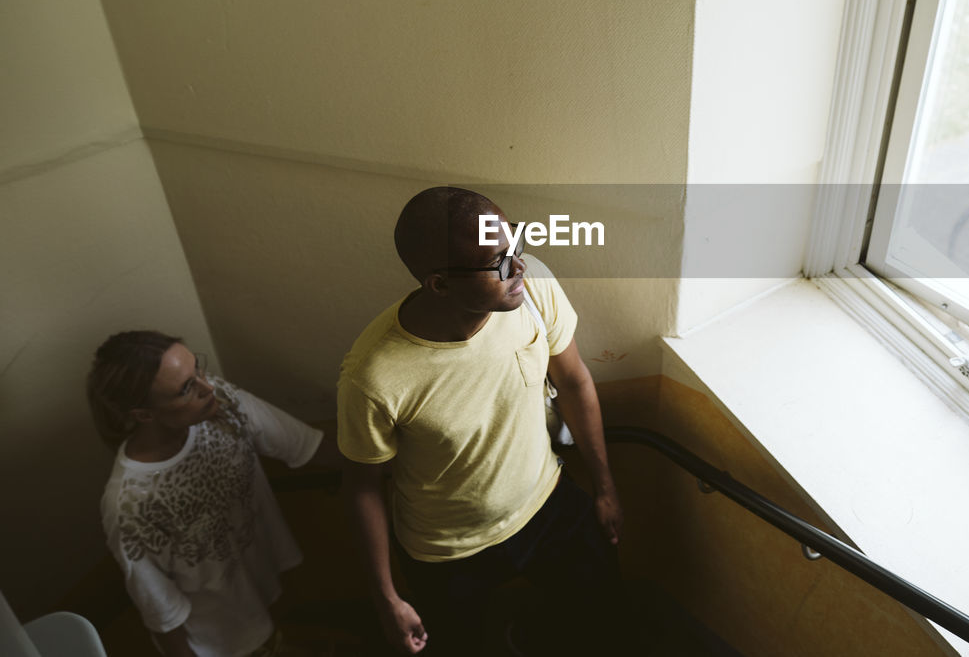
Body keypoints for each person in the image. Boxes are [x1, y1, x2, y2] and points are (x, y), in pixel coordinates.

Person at [338, 187, 623, 656]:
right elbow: (363, 486)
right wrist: (386, 597)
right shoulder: (374, 376)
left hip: (547, 504)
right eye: (499, 263)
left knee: (602, 621)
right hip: (446, 551)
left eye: (516, 245)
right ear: (440, 285)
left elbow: (573, 383)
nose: (520, 267)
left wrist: (605, 486)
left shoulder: (533, 290)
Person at [88, 330, 335, 657]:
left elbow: (306, 445)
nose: (208, 387)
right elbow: (162, 613)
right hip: (223, 642)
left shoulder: (221, 403)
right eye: (186, 388)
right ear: (144, 414)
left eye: (197, 369)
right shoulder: (131, 503)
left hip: (272, 590)